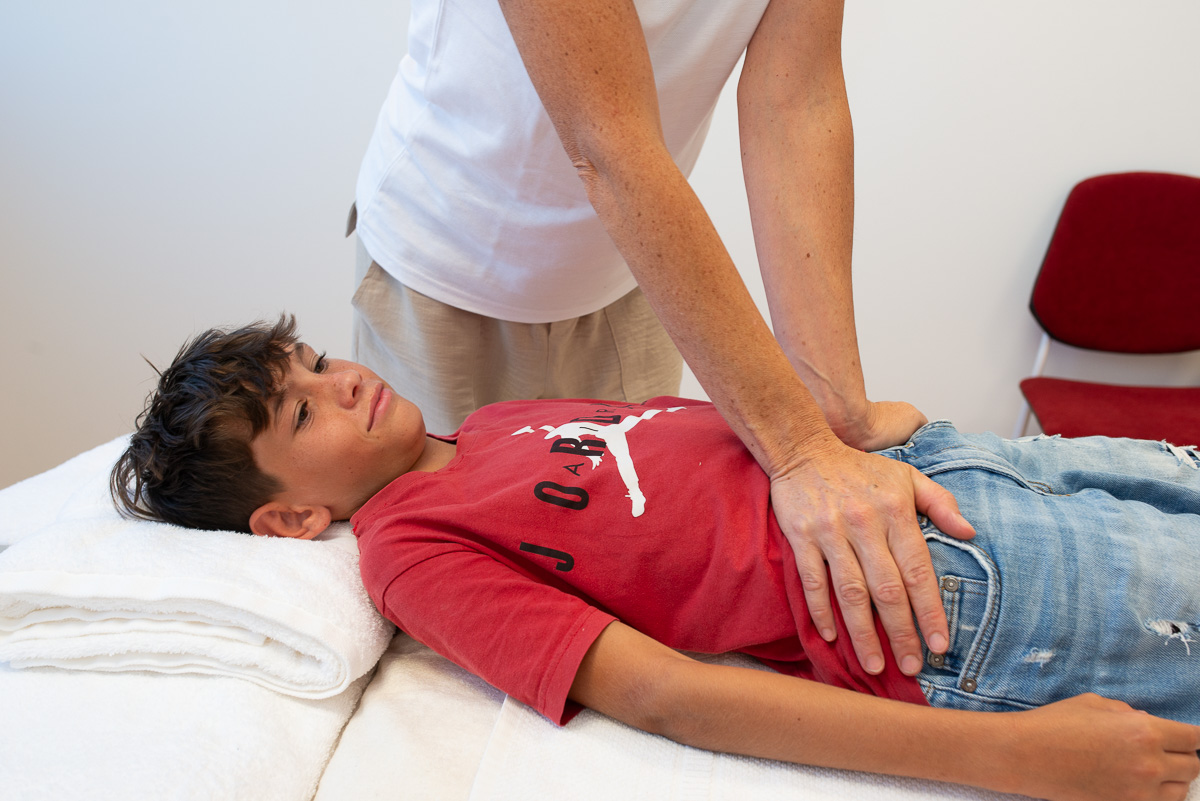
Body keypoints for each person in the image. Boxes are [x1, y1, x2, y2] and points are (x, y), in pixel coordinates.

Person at [113, 317, 1200, 801]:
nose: (341, 379)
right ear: (291, 519)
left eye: (314, 360)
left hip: (953, 470)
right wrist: (1013, 758)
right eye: (302, 411)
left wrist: (868, 430)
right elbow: (666, 695)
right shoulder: (409, 551)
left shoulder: (495, 421)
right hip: (941, 586)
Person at [351, 0, 975, 679]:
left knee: (639, 570)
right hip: (446, 265)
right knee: (451, 640)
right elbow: (606, 144)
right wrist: (799, 450)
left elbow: (796, 101)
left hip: (629, 267)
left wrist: (832, 408)